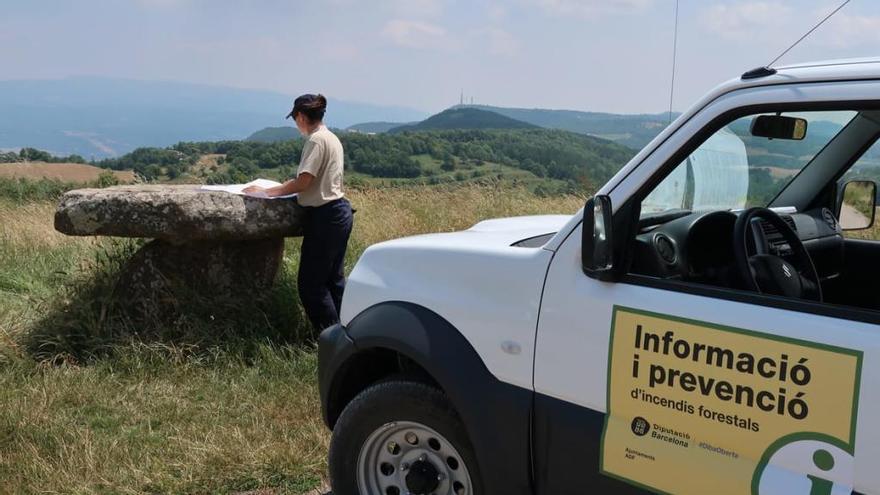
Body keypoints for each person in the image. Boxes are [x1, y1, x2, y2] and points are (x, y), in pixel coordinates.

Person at [243, 94, 353, 331]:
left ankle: (331, 339)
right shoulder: (331, 137)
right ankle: (349, 334)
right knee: (334, 280)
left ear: (301, 116)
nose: (296, 124)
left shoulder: (315, 141)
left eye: (295, 118)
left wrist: (268, 192)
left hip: (325, 217)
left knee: (311, 285)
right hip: (340, 212)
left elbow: (304, 182)